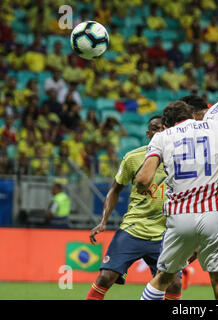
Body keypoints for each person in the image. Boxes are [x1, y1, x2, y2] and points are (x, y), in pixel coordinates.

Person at [135, 100, 218, 300]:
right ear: (191, 116)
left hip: (180, 217)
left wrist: (142, 187)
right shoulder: (214, 126)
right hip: (215, 214)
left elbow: (144, 179)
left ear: (165, 125)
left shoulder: (161, 137)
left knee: (164, 278)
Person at [86, 116, 182, 300]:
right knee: (106, 277)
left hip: (164, 232)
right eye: (155, 128)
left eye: (163, 128)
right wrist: (103, 221)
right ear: (148, 134)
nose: (159, 131)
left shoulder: (180, 159)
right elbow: (114, 190)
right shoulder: (133, 158)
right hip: (134, 228)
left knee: (175, 284)